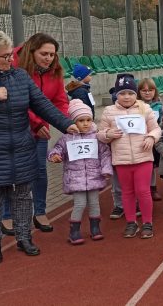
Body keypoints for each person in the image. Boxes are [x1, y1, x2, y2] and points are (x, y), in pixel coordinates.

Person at [0, 29, 77, 264]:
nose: (10, 59)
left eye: (10, 55)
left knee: (22, 196)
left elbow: (42, 104)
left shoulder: (19, 76)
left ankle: (24, 237)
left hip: (20, 147)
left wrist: (67, 125)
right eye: (4, 56)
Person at [1, 32, 70, 234]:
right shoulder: (12, 69)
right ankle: (7, 214)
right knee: (11, 172)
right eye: (44, 53)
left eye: (52, 54)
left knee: (39, 171)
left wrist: (67, 124)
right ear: (32, 52)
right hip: (13, 129)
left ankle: (39, 211)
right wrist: (37, 122)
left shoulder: (55, 71)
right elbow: (15, 100)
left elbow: (59, 100)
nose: (49, 58)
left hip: (40, 131)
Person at [97, 74, 162, 239]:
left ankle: (147, 222)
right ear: (116, 95)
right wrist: (108, 134)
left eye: (131, 93)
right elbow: (100, 134)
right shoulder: (109, 111)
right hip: (122, 159)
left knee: (143, 190)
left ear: (136, 94)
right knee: (127, 192)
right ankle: (131, 222)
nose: (127, 97)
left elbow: (156, 129)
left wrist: (151, 137)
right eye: (122, 93)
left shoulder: (144, 109)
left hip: (143, 158)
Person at [48, 99, 112, 245]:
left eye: (88, 120)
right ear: (73, 122)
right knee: (80, 204)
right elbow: (57, 149)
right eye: (81, 120)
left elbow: (105, 154)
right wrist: (54, 156)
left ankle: (95, 228)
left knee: (95, 203)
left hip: (94, 177)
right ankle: (74, 231)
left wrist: (106, 169)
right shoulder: (66, 138)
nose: (85, 123)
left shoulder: (96, 137)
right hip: (75, 178)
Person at [137, 77, 163, 202]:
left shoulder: (160, 107)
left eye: (150, 90)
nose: (147, 93)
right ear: (139, 92)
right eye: (144, 90)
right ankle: (143, 188)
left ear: (155, 91)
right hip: (140, 140)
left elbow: (162, 123)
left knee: (152, 165)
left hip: (155, 140)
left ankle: (152, 188)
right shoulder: (136, 106)